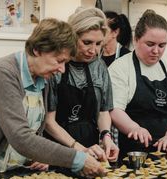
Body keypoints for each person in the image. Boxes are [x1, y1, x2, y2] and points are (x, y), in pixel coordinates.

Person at [0, 18, 104, 177]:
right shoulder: (4, 72)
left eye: (66, 63)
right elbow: (20, 137)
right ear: (37, 50)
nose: (62, 69)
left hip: (12, 173)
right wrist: (78, 159)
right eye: (59, 61)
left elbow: (34, 129)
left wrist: (38, 156)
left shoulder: (43, 79)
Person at [108, 10, 167, 158]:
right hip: (133, 153)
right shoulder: (120, 68)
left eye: (162, 45)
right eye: (150, 44)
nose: (156, 51)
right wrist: (134, 128)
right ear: (136, 39)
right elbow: (115, 109)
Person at [46, 7, 119, 162]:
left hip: (90, 145)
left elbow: (103, 110)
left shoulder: (99, 67)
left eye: (99, 44)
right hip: (57, 147)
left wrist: (106, 135)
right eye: (87, 43)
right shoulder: (56, 65)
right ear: (73, 37)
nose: (93, 50)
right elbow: (48, 122)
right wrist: (78, 149)